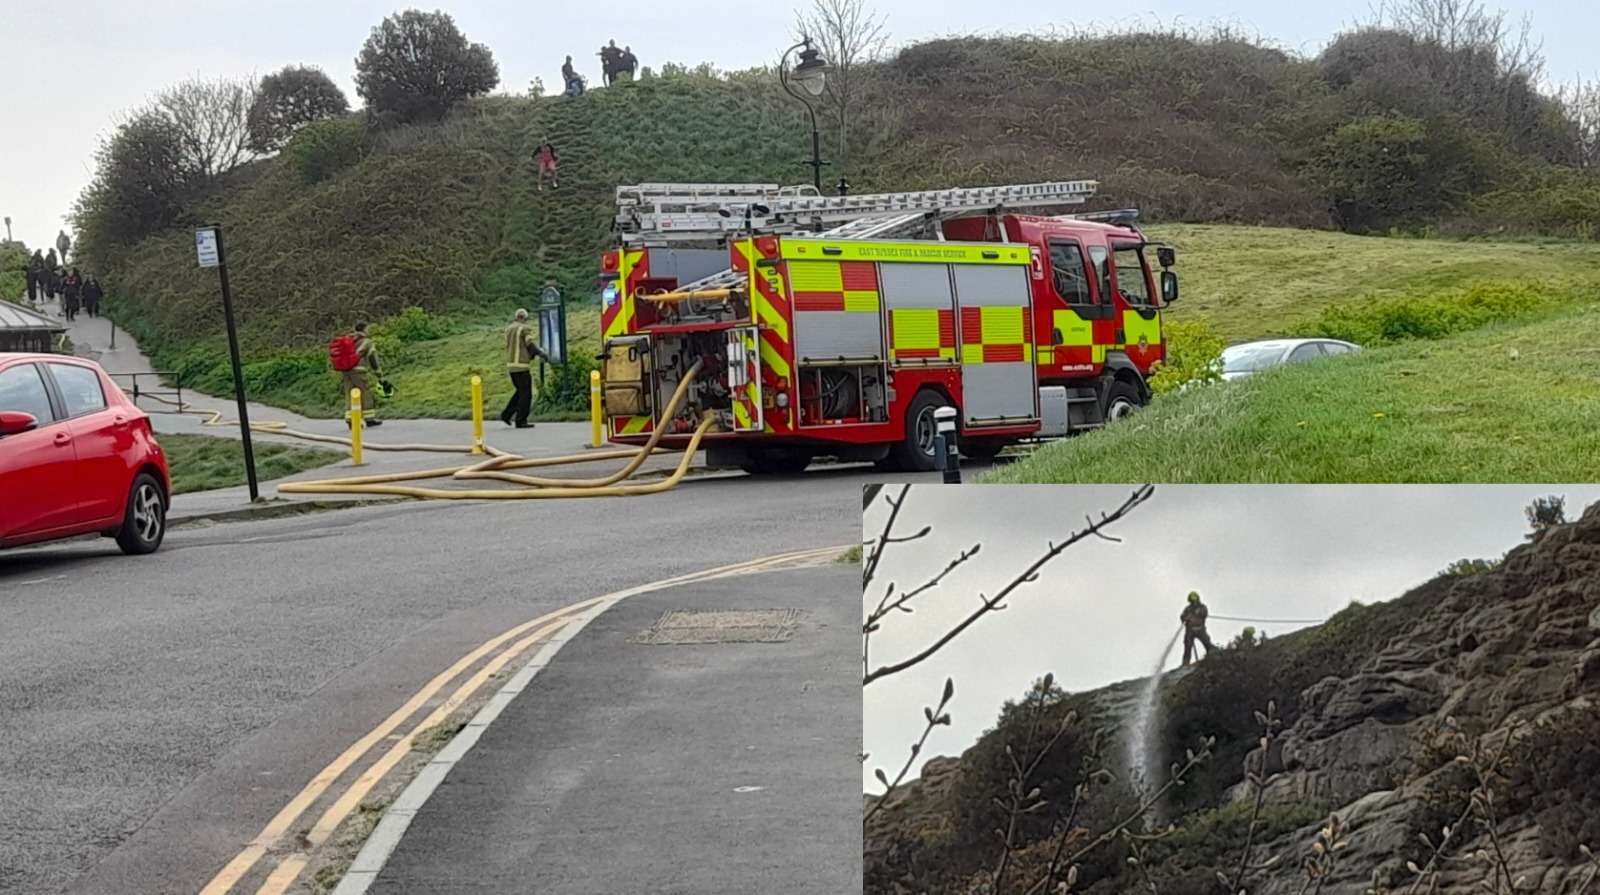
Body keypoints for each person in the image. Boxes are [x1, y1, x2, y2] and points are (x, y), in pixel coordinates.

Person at [501, 308, 546, 428]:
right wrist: (540, 353)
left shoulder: (508, 329)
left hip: (511, 366)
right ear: (524, 318)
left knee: (520, 392)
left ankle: (506, 414)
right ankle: (521, 420)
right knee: (526, 394)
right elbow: (529, 344)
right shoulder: (524, 328)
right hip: (522, 366)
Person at [340, 323, 383, 427]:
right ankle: (369, 419)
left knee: (349, 393)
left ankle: (350, 419)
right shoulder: (367, 342)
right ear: (364, 330)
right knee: (365, 393)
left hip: (346, 370)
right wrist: (378, 372)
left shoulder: (349, 340)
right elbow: (372, 358)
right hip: (359, 371)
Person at [1181, 591, 1214, 666]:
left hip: (1200, 629)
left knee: (1207, 643)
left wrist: (1197, 613)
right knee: (1187, 647)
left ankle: (1213, 656)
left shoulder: (1202, 607)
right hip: (1190, 631)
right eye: (1192, 601)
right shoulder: (1187, 609)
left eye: (1194, 601)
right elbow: (1182, 617)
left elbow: (1204, 613)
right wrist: (1185, 618)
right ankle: (1185, 663)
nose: (1194, 603)